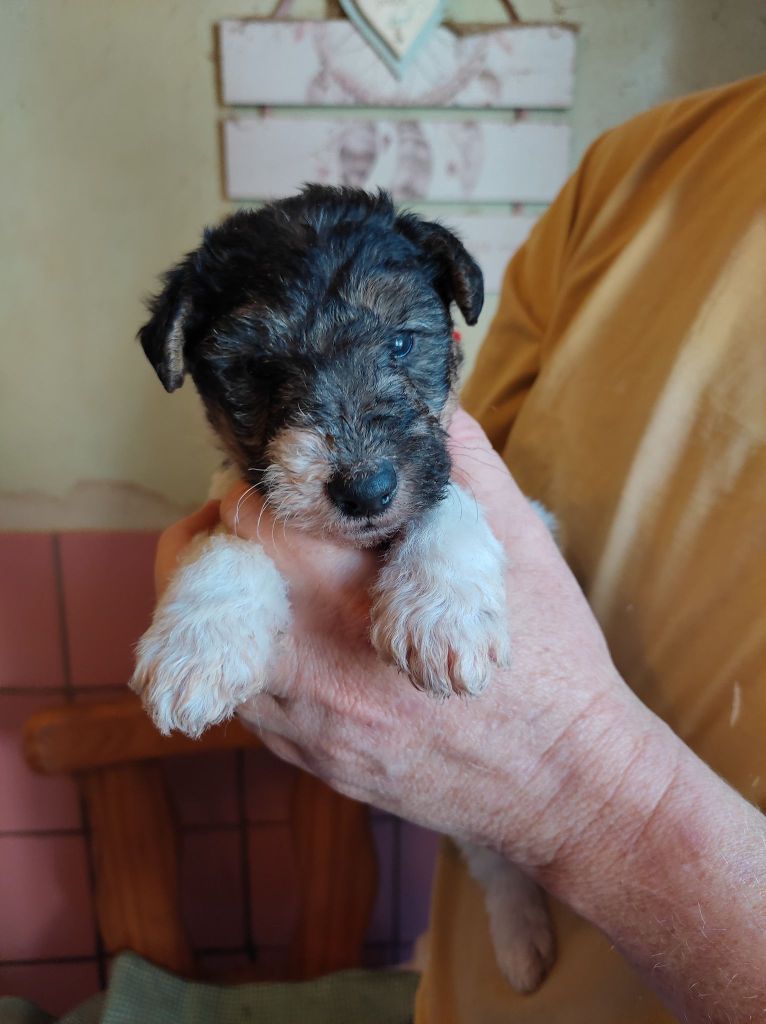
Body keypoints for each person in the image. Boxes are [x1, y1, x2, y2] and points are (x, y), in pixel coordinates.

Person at [155, 73, 766, 1022]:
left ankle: (510, 879)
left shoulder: (454, 490)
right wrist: (219, 594)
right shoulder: (626, 173)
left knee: (455, 522)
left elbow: (494, 513)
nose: (360, 463)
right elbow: (239, 546)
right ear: (189, 364)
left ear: (447, 320)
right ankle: (504, 884)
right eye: (265, 374)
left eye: (400, 349)